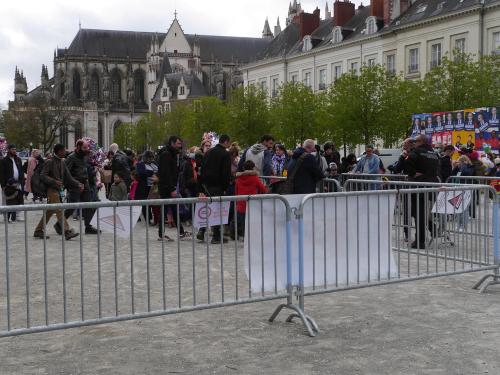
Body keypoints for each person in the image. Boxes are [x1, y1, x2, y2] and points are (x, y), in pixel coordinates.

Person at [33, 144, 81, 240]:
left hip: (58, 190)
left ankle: (38, 230)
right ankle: (67, 231)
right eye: (64, 150)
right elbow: (42, 176)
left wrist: (78, 183)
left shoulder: (62, 162)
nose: (66, 152)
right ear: (59, 151)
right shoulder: (49, 161)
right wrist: (54, 181)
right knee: (59, 209)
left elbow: (69, 177)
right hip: (51, 190)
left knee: (50, 211)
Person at [404, 135, 440, 249]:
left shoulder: (417, 152)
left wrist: (413, 173)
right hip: (431, 186)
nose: (414, 143)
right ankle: (432, 229)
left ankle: (420, 241)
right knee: (420, 212)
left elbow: (407, 163)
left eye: (416, 141)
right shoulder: (434, 153)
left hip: (418, 185)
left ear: (421, 141)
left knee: (418, 213)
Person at [197, 134, 232, 244]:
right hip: (218, 185)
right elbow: (226, 173)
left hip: (206, 184)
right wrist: (226, 186)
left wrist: (201, 184)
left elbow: (202, 168)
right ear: (226, 142)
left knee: (206, 208)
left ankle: (201, 231)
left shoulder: (208, 152)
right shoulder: (225, 154)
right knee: (217, 210)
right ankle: (216, 236)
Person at [63, 140, 100, 235]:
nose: (87, 149)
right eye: (85, 147)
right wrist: (76, 184)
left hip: (85, 184)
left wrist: (87, 179)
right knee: (72, 207)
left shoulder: (84, 157)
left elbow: (84, 169)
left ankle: (88, 227)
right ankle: (60, 224)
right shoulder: (71, 158)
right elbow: (66, 174)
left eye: (87, 147)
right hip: (75, 186)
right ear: (78, 147)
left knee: (88, 205)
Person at [158, 136, 190, 241]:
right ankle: (161, 234)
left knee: (173, 209)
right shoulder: (166, 154)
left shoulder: (173, 154)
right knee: (165, 209)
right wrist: (171, 189)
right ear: (172, 143)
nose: (180, 146)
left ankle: (180, 231)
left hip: (170, 186)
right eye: (178, 143)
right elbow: (165, 173)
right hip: (167, 187)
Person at [233, 160, 269, 239]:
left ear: (243, 168)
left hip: (240, 202)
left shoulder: (239, 178)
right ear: (253, 167)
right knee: (251, 222)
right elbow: (263, 189)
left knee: (240, 221)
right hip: (252, 204)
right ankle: (250, 236)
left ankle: (238, 235)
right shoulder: (255, 178)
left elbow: (236, 190)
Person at [1, 145, 24, 222]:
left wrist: (21, 182)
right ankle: (6, 217)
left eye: (15, 149)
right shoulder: (4, 160)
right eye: (12, 149)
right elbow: (2, 174)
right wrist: (3, 185)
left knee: (19, 200)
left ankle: (18, 216)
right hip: (8, 185)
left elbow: (21, 171)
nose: (14, 151)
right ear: (8, 150)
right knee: (6, 201)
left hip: (18, 184)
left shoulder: (18, 159)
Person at [451, 155, 475, 231]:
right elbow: (452, 175)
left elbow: (467, 173)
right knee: (458, 208)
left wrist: (463, 165)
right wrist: (455, 167)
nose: (458, 163)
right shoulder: (458, 168)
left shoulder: (470, 167)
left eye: (460, 162)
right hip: (458, 189)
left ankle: (463, 226)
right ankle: (459, 225)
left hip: (466, 190)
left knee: (464, 209)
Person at [135, 151, 158, 222]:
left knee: (154, 204)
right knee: (145, 204)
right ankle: (148, 219)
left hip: (154, 187)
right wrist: (152, 173)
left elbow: (159, 171)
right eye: (149, 157)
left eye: (151, 157)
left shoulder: (154, 164)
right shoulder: (140, 164)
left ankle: (155, 219)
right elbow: (141, 173)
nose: (150, 159)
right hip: (144, 187)